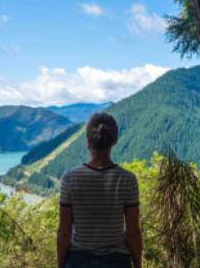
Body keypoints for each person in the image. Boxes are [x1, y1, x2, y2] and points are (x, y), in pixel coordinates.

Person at [57, 113, 142, 268]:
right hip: (117, 261)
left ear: (88, 141)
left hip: (78, 261)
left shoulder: (70, 178)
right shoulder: (128, 179)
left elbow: (64, 232)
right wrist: (138, 265)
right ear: (115, 141)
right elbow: (133, 233)